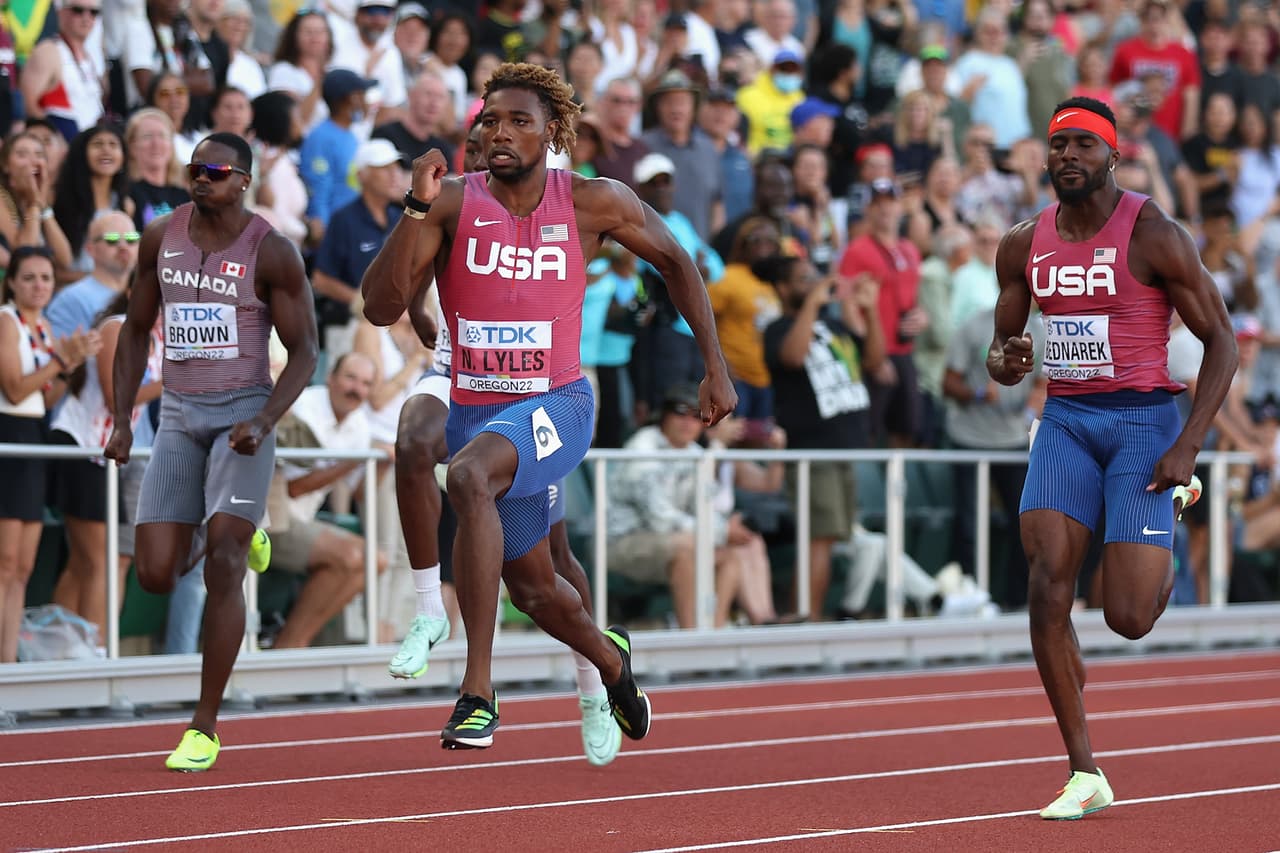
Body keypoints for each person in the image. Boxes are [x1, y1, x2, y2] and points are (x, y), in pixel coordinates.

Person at [362, 62, 736, 751]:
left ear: (553, 131)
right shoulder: (450, 202)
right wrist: (414, 207)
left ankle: (477, 692)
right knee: (536, 589)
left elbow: (677, 262)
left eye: (519, 121)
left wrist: (715, 366)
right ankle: (612, 663)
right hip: (476, 407)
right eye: (490, 121)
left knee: (468, 475)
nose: (500, 133)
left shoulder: (595, 201)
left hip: (558, 403)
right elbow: (380, 307)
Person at [988, 97, 1237, 819]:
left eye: (1083, 145)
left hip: (1143, 425)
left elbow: (1222, 341)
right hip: (1066, 420)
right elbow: (1002, 356)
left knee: (1128, 616)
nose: (1067, 156)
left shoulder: (1155, 234)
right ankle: (1084, 770)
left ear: (1113, 156)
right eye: (1057, 145)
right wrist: (1007, 360)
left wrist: (1188, 443)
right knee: (1047, 586)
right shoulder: (1022, 243)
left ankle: (1172, 502)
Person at [376, 118, 621, 767]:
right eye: (477, 148)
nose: (487, 156)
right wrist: (422, 307)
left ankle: (594, 683)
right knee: (414, 441)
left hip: (537, 395)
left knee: (550, 566)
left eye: (497, 146)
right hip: (460, 378)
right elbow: (403, 285)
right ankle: (430, 611)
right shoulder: (451, 204)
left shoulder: (558, 208)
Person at [104, 132, 319, 771]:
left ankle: (203, 726)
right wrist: (122, 420)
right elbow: (134, 329)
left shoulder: (271, 251)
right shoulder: (159, 236)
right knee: (156, 574)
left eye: (216, 170)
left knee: (223, 563)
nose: (201, 177)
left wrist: (265, 418)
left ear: (244, 180)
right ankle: (239, 526)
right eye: (194, 168)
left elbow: (306, 351)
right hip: (177, 415)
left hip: (241, 415)